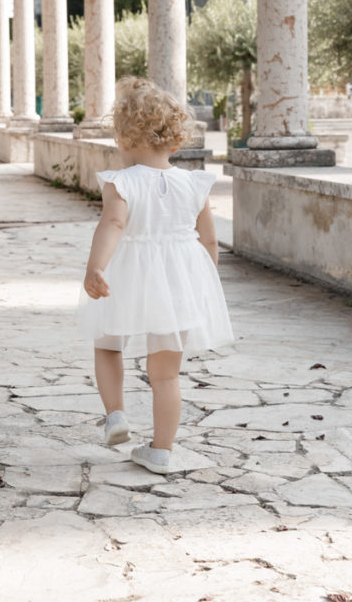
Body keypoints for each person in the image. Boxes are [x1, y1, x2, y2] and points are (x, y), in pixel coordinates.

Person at [78, 77, 233, 475]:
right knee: (166, 374)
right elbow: (210, 242)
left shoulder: (121, 182)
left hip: (126, 277)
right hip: (178, 285)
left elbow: (112, 224)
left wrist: (96, 267)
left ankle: (116, 415)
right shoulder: (194, 184)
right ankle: (161, 451)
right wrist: (202, 286)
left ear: (123, 140)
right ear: (177, 142)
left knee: (108, 344)